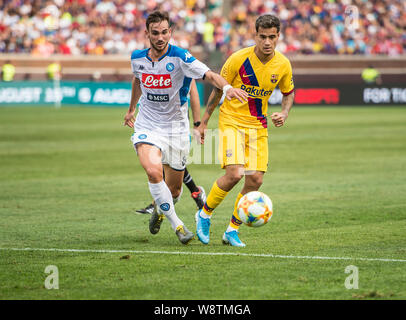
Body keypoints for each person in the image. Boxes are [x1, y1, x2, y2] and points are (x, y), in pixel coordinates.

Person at [123, 11, 247, 245]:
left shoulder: (181, 57)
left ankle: (161, 210)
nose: (160, 37)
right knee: (152, 171)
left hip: (176, 130)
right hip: (147, 124)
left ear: (170, 32)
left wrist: (228, 88)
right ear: (147, 33)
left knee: (175, 191)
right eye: (155, 33)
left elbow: (209, 74)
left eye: (164, 32)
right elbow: (138, 80)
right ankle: (178, 225)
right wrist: (131, 109)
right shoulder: (137, 58)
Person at [195, 14, 295, 247]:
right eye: (263, 37)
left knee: (256, 180)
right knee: (235, 174)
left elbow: (288, 91)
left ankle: (231, 230)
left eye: (272, 37)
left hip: (258, 125)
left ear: (278, 36)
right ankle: (205, 214)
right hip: (231, 120)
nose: (267, 42)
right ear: (255, 35)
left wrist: (285, 112)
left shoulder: (283, 64)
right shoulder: (238, 59)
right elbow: (219, 89)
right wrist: (204, 121)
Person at [136, 80, 207, 214]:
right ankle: (194, 192)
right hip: (155, 122)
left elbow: (194, 92)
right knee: (162, 161)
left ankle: (160, 203)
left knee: (169, 162)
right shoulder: (153, 62)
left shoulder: (181, 60)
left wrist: (197, 123)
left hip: (176, 126)